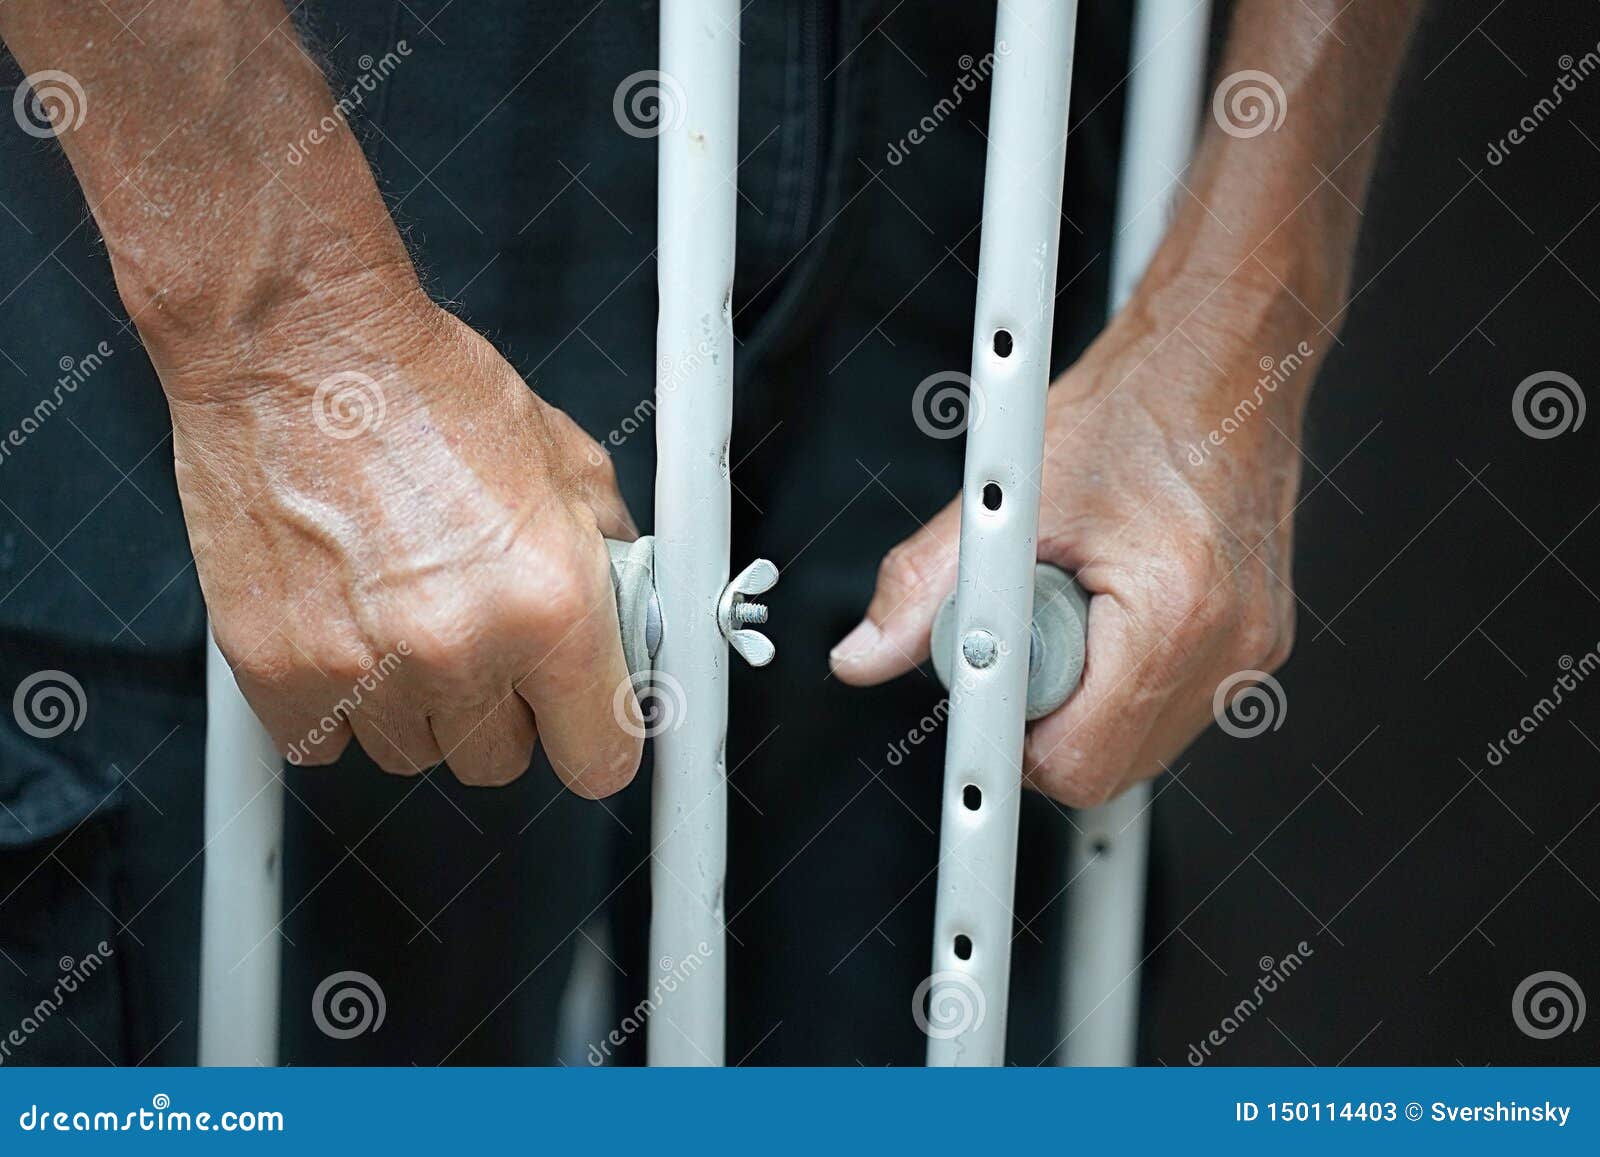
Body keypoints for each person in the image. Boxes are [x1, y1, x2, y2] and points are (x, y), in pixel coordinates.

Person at [0, 0, 1425, 1065]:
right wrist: (282, 325)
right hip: (310, 110)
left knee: (913, 1025)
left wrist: (1251, 305)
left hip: (986, 144)